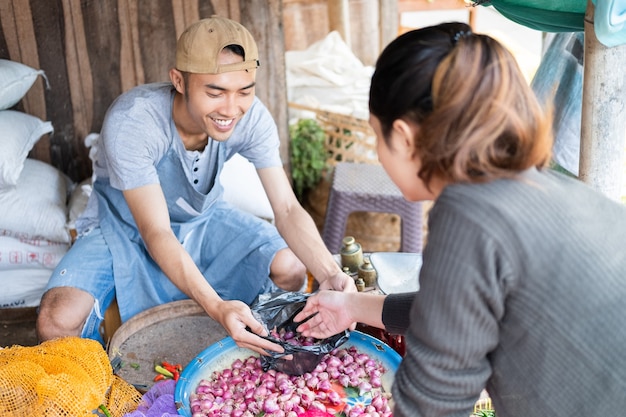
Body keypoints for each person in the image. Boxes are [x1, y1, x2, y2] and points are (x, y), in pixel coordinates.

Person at [295, 21, 626, 417]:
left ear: (402, 137)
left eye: (376, 136)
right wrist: (350, 306)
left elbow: (433, 404)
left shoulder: (467, 212)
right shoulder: (536, 185)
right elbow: (452, 310)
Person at [36, 16, 355, 354]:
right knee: (55, 320)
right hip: (123, 225)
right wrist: (216, 306)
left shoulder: (252, 118)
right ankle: (111, 384)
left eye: (244, 91)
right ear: (179, 81)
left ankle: (258, 356)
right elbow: (156, 231)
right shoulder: (134, 121)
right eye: (215, 92)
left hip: (203, 217)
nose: (231, 109)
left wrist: (331, 273)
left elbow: (288, 208)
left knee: (290, 266)